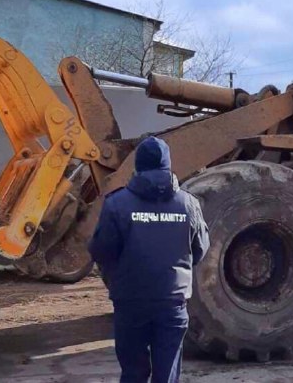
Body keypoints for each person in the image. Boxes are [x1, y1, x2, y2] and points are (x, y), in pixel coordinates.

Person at [89, 136, 209, 383]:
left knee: (133, 373)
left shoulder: (117, 204)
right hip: (172, 303)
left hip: (130, 303)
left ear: (138, 166)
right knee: (167, 376)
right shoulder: (189, 205)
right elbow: (200, 250)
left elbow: (101, 251)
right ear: (168, 166)